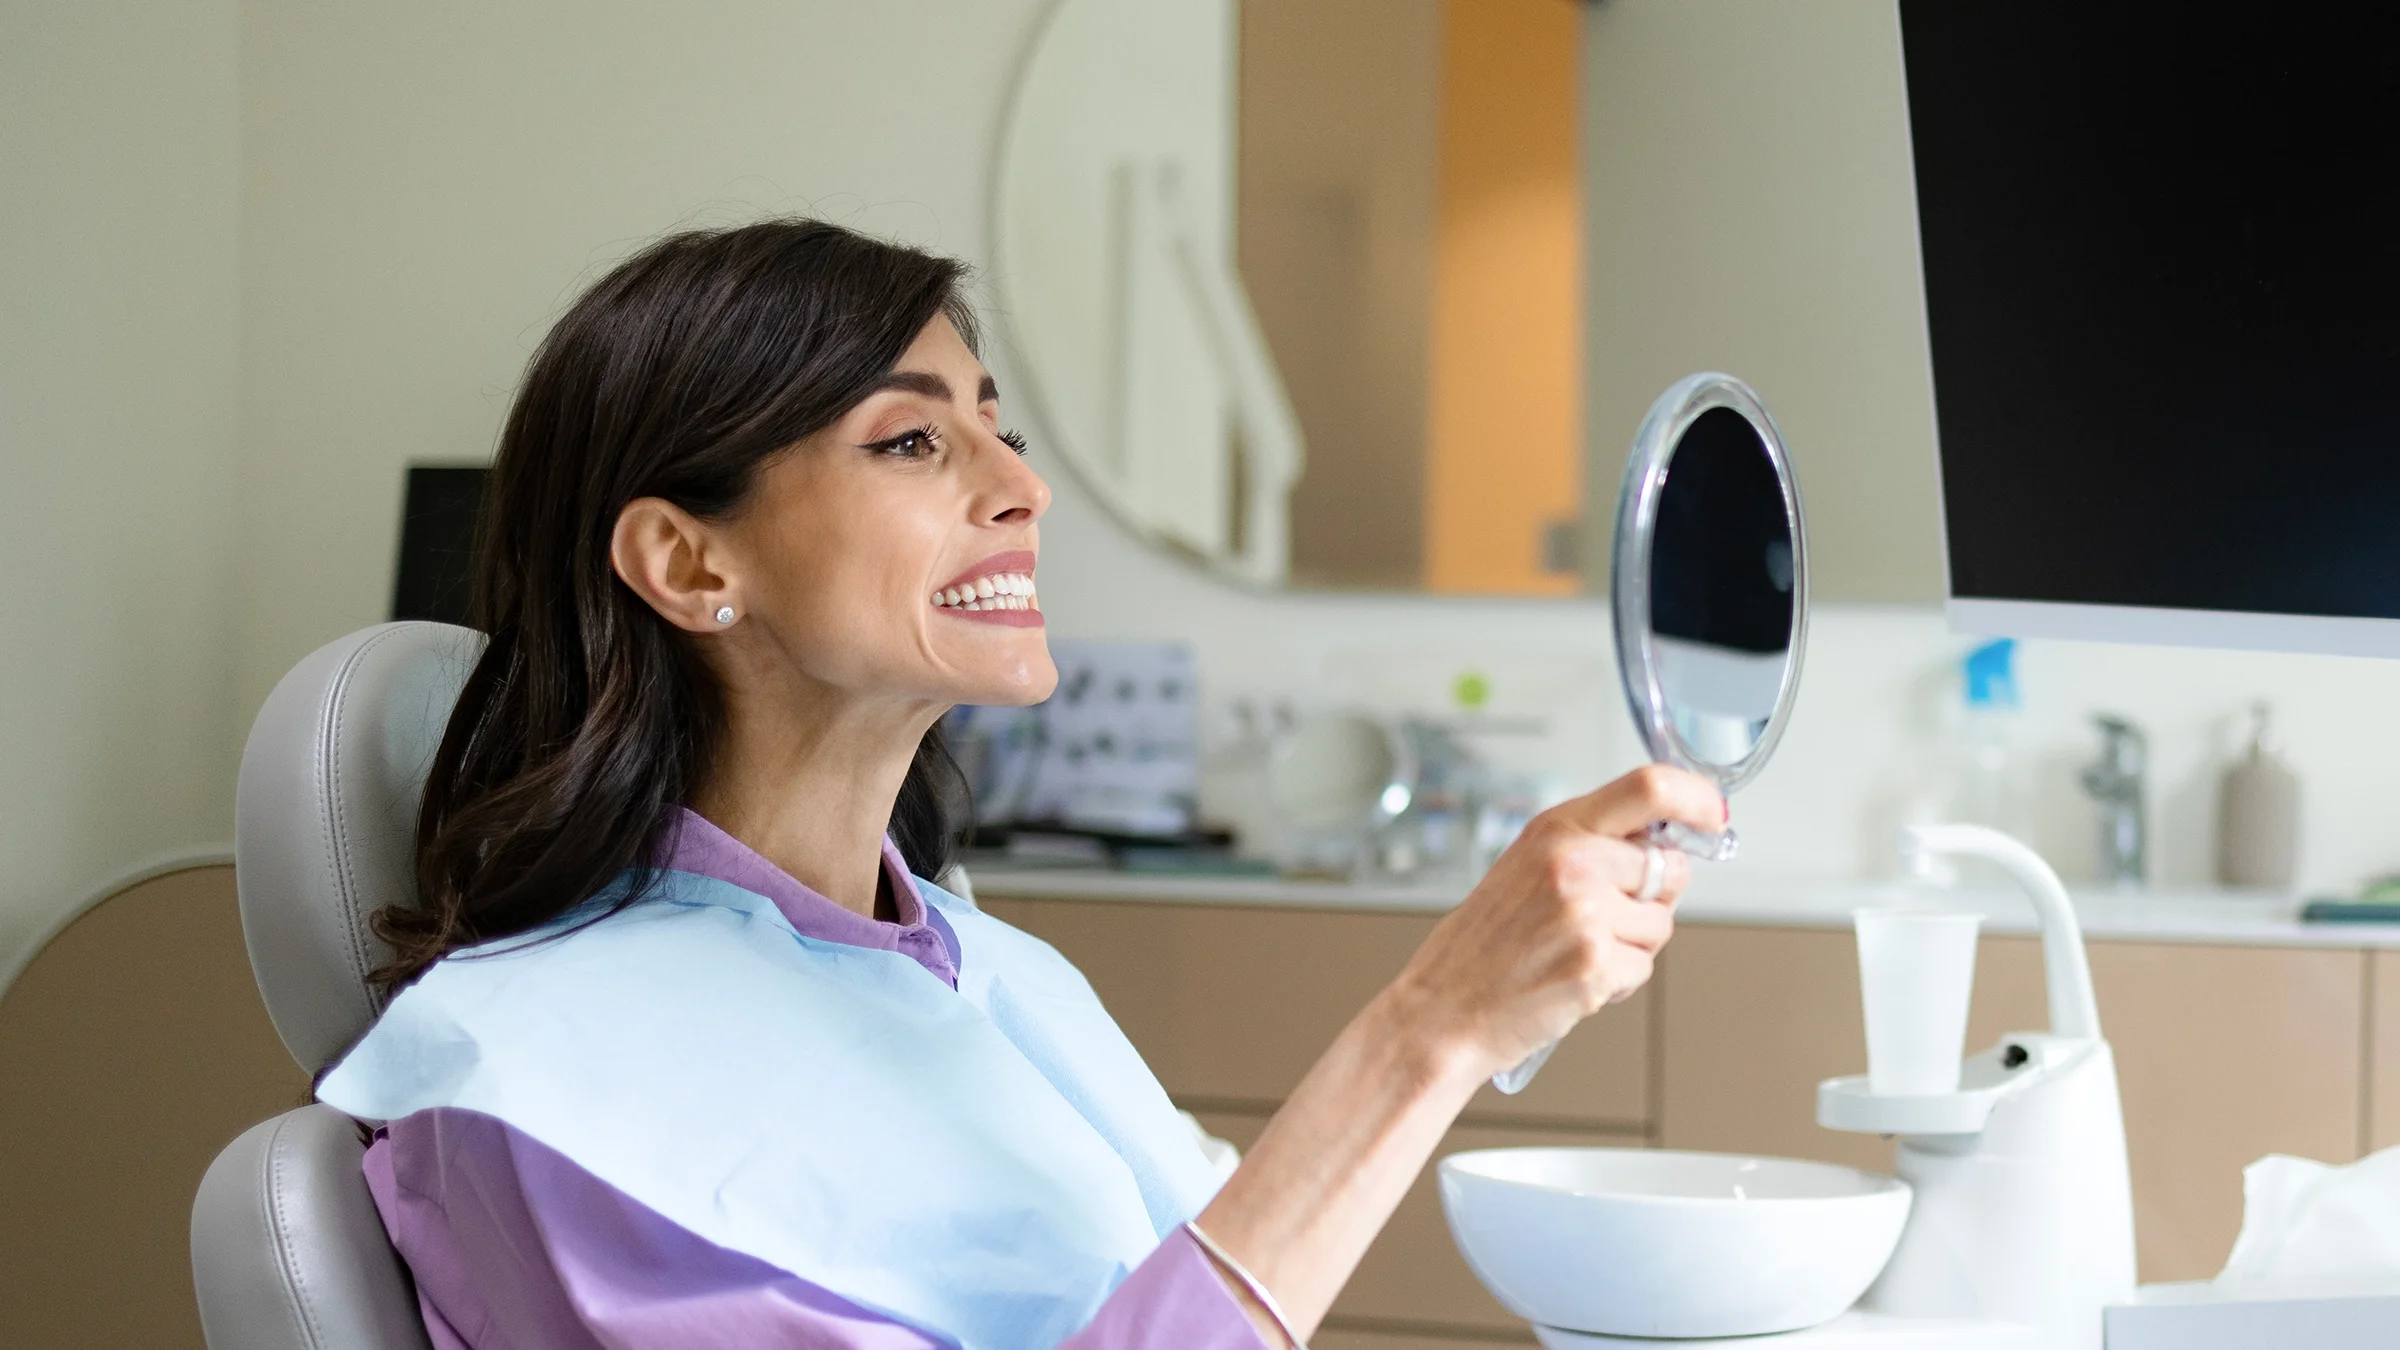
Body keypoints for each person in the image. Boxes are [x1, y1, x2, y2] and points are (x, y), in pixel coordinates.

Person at [324, 219, 1722, 1350]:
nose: (1022, 486)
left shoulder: (998, 981)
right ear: (693, 564)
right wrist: (1428, 1032)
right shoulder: (544, 1077)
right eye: (913, 439)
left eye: (998, 427)